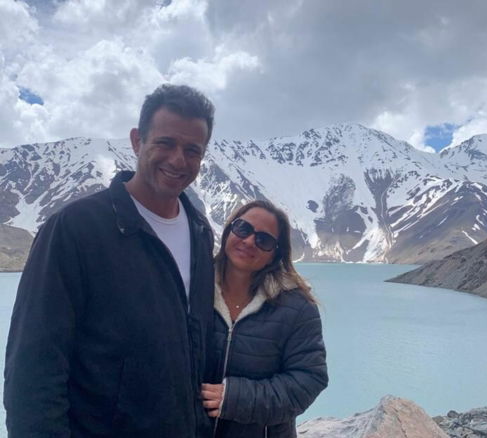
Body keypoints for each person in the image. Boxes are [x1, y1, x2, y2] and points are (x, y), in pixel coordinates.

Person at [4, 84, 216, 437]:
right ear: (136, 141)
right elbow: (33, 371)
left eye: (192, 150)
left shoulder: (200, 232)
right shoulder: (75, 229)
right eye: (165, 143)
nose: (178, 160)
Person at [201, 200, 328, 438]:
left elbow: (309, 380)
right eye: (243, 228)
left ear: (274, 255)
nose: (249, 241)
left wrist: (235, 399)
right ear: (229, 231)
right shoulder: (193, 288)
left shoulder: (297, 307)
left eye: (264, 240)